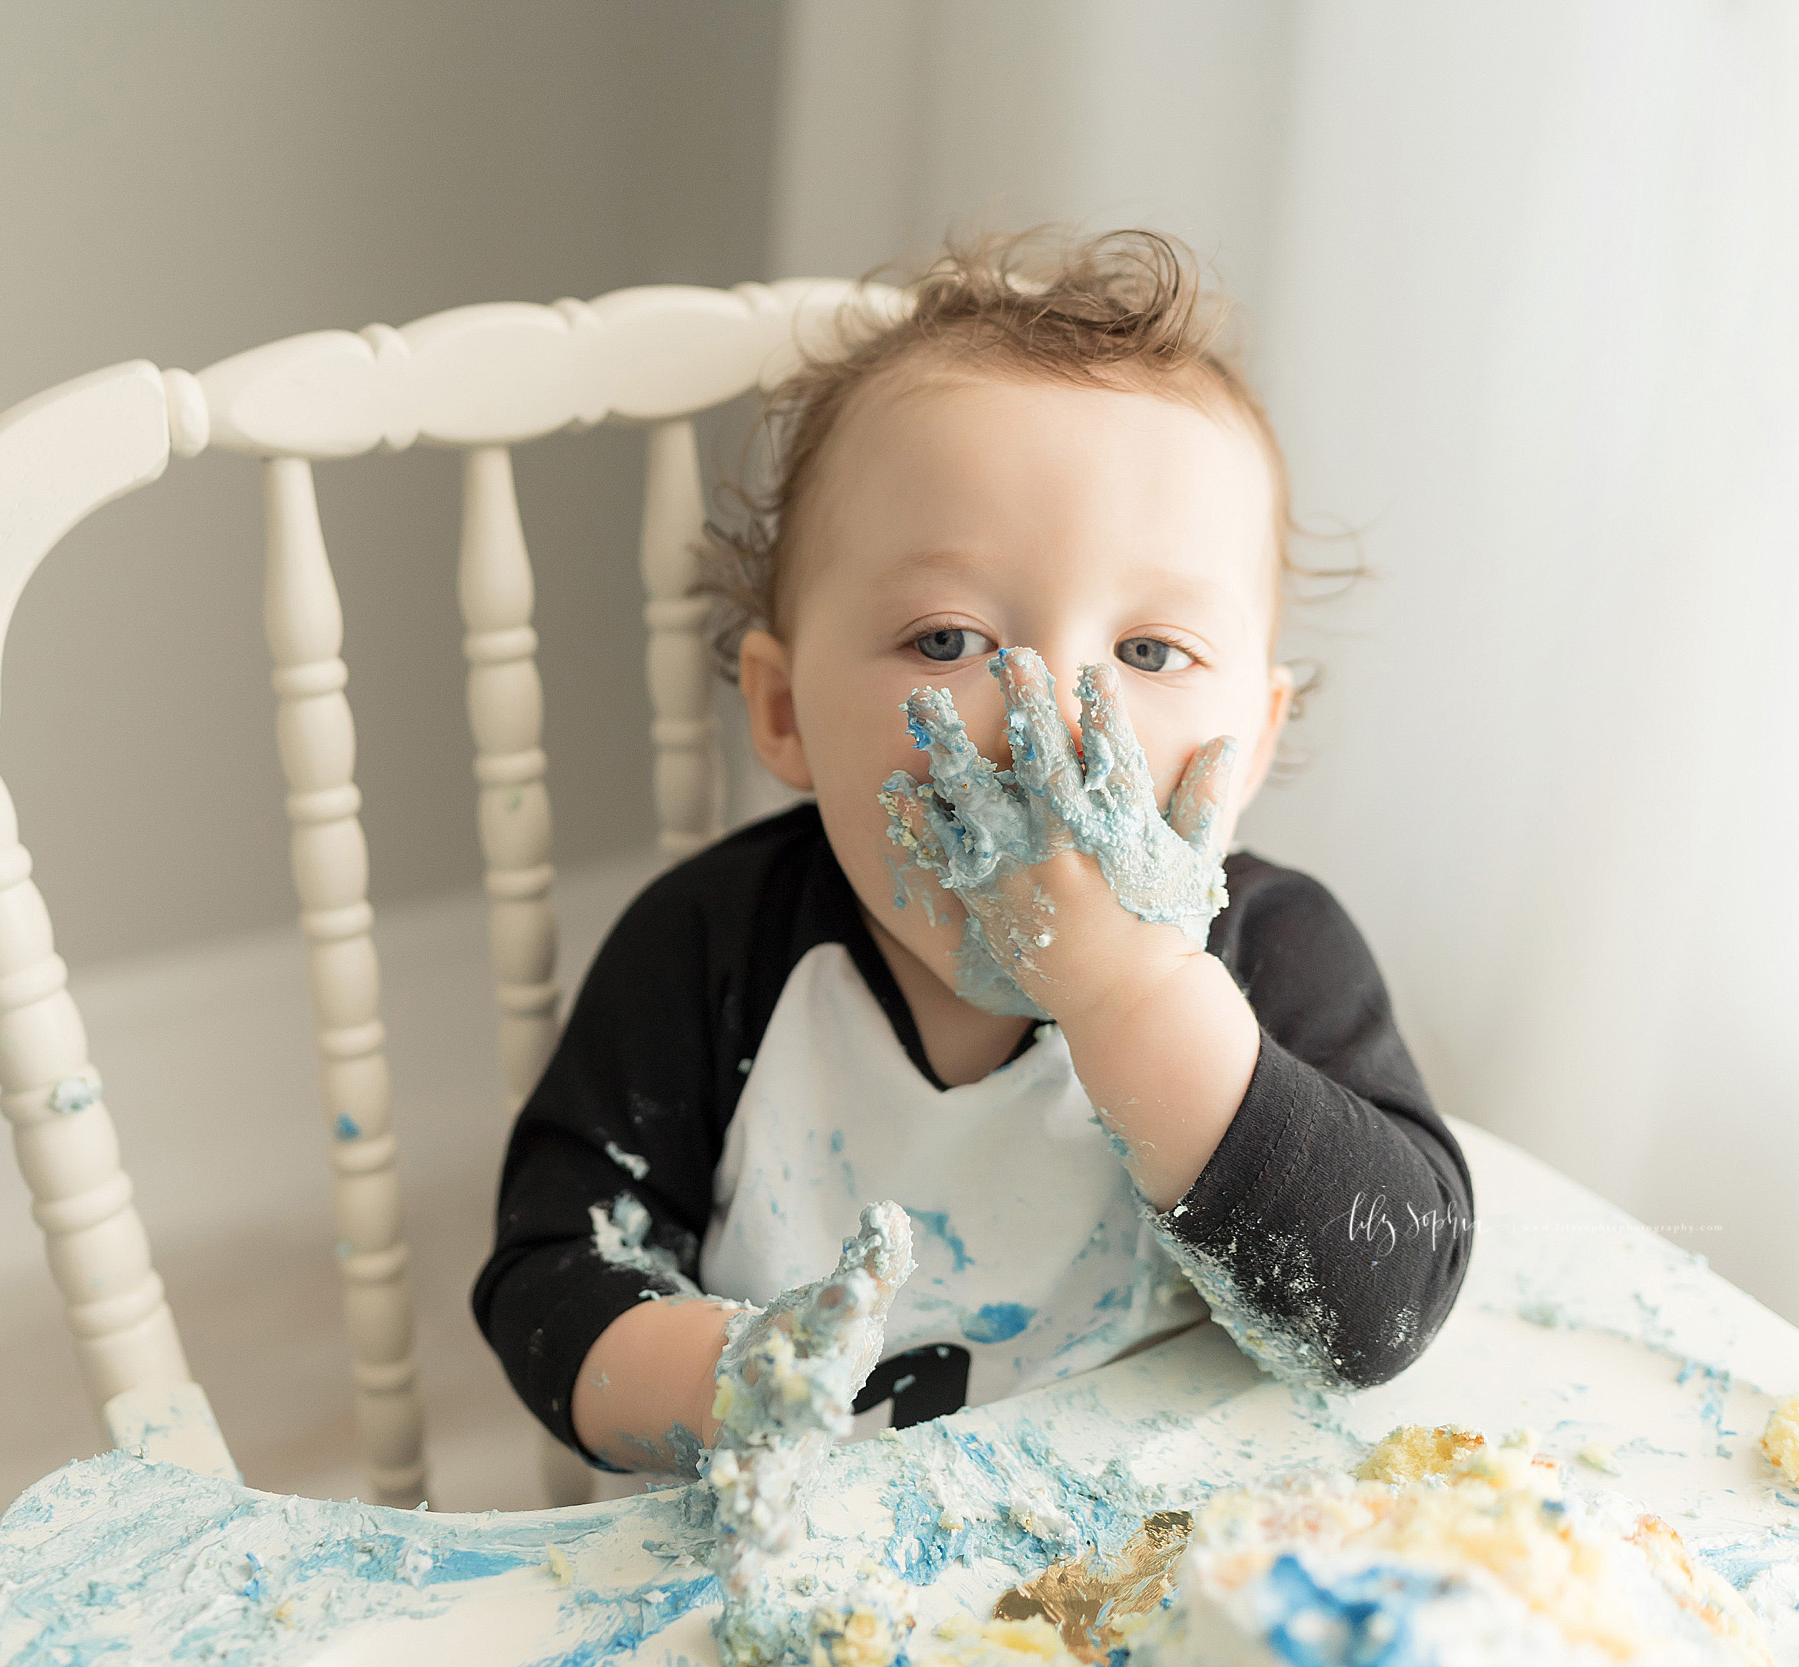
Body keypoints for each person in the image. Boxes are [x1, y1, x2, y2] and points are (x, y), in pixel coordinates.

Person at [470, 230, 1473, 1479]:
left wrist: (1130, 995)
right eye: (947, 639)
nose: (1044, 716)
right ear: (783, 711)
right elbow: (548, 1275)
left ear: (1256, 739)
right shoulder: (711, 947)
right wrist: (727, 1381)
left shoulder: (1271, 953)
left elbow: (1383, 1310)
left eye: (1151, 653)